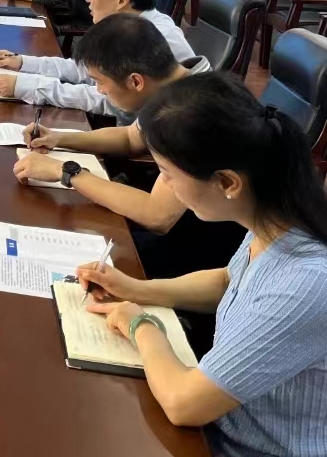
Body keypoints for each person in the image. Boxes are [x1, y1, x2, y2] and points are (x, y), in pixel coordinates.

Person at [77, 73, 327, 454]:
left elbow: (183, 404)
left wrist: (141, 323)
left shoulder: (306, 281)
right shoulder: (273, 220)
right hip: (218, 423)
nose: (165, 186)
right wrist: (136, 289)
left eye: (167, 174)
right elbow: (228, 282)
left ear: (227, 183)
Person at [14, 14, 232, 280]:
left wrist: (66, 172)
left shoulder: (192, 116)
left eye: (99, 81)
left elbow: (158, 216)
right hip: (176, 223)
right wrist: (59, 138)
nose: (99, 90)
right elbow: (130, 139)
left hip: (200, 255)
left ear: (135, 81)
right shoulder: (177, 87)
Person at [0, 0, 195, 117]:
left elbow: (105, 99)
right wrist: (23, 62)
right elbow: (86, 70)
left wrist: (25, 86)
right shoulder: (129, 27)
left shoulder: (152, 38)